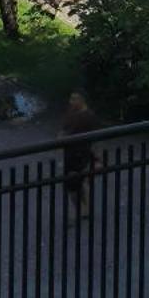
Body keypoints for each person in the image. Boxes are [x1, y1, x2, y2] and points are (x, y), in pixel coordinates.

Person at [59, 92, 101, 222]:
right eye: (70, 98)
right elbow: (64, 129)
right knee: (78, 183)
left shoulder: (88, 116)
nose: (71, 102)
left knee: (72, 186)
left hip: (80, 154)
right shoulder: (71, 112)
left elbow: (95, 139)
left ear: (82, 100)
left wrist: (97, 159)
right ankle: (85, 209)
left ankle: (79, 211)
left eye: (74, 99)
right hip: (71, 153)